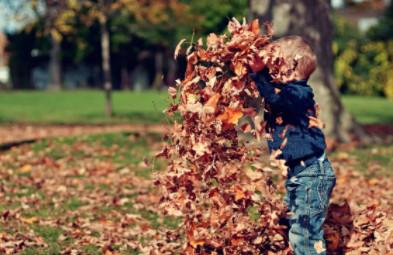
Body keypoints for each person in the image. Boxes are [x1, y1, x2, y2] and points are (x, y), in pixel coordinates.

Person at [249, 35, 336, 255]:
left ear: (292, 68)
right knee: (292, 222)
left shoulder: (299, 92)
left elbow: (276, 99)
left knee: (305, 234)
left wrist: (259, 73)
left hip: (311, 175)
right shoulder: (289, 93)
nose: (271, 71)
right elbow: (271, 96)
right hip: (299, 174)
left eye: (276, 64)